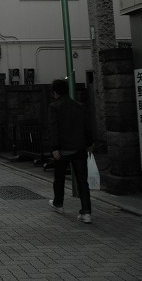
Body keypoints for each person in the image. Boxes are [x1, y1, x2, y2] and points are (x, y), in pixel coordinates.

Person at [48, 79, 94, 223]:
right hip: (79, 148)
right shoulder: (79, 106)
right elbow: (87, 125)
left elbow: (54, 129)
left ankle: (58, 204)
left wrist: (55, 148)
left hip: (62, 149)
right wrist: (90, 143)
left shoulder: (54, 107)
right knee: (82, 181)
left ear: (55, 92)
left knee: (59, 178)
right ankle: (86, 212)